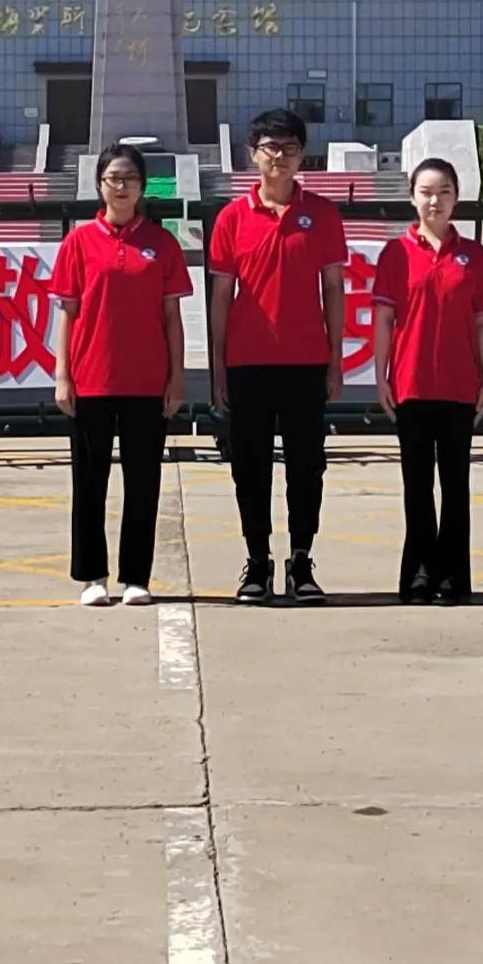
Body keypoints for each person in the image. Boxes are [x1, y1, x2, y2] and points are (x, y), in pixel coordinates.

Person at [205, 108, 348, 603]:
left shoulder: (322, 216)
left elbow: (333, 290)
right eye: (270, 147)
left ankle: (302, 560)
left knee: (307, 465)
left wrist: (335, 358)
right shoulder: (232, 219)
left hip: (307, 361)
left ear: (302, 154)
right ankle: (258, 560)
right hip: (248, 361)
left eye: (289, 147)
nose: (279, 156)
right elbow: (221, 297)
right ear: (252, 154)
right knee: (250, 465)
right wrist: (218, 364)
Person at [50, 146, 191, 604]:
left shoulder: (162, 243)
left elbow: (172, 317)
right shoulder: (79, 242)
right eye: (113, 177)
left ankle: (137, 577)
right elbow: (67, 313)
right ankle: (93, 577)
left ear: (143, 186)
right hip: (91, 378)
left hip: (147, 380)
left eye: (130, 177)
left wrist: (177, 377)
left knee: (143, 481)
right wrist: (62, 375)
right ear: (99, 184)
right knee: (89, 481)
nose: (122, 185)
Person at [376, 154, 483, 603]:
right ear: (412, 198)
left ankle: (452, 576)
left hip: (459, 385)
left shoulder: (473, 255)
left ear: (457, 199)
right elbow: (385, 319)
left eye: (444, 192)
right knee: (417, 486)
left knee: (455, 484)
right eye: (427, 192)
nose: (435, 201)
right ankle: (419, 573)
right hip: (410, 384)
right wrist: (380, 375)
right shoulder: (396, 253)